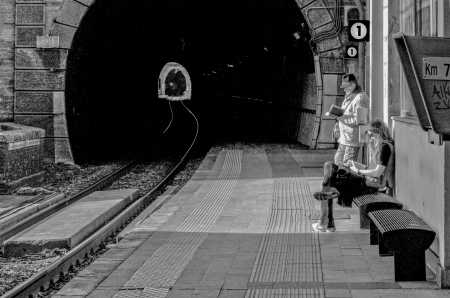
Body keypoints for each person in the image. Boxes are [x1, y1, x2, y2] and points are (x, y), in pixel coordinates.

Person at [312, 119, 394, 232]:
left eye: (371, 135)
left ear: (378, 133)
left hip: (371, 184)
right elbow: (371, 169)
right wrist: (357, 166)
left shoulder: (384, 147)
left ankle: (326, 222)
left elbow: (377, 172)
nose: (370, 138)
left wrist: (358, 171)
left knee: (329, 178)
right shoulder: (382, 146)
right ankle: (326, 221)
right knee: (330, 168)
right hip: (367, 180)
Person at [320, 74, 369, 232]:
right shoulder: (349, 96)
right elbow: (343, 114)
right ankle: (331, 213)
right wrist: (336, 123)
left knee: (340, 176)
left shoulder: (361, 98)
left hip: (352, 142)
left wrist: (340, 117)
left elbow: (359, 120)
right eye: (344, 86)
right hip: (343, 140)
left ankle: (333, 213)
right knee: (332, 173)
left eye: (347, 85)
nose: (345, 89)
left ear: (354, 83)